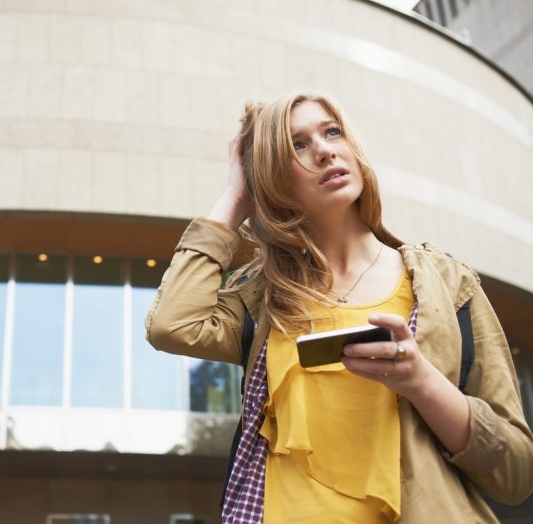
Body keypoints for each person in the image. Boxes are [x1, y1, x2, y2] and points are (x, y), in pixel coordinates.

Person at [145, 92, 533, 523]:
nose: (326, 150)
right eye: (297, 145)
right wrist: (235, 197)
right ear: (271, 176)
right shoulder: (263, 296)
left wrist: (420, 380)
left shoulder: (446, 283)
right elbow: (171, 325)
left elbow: (516, 473)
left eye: (332, 132)